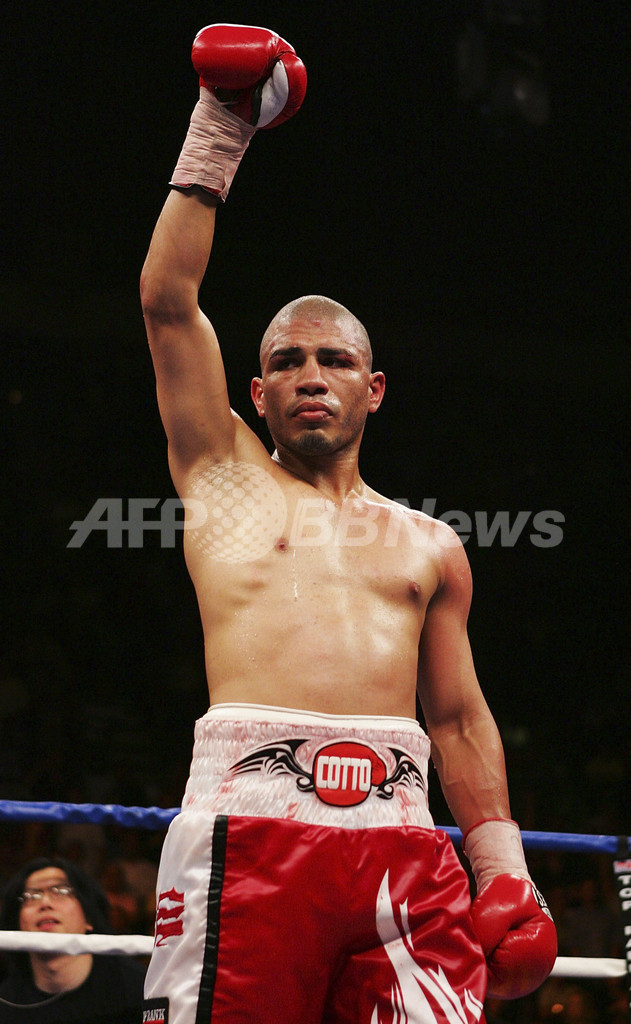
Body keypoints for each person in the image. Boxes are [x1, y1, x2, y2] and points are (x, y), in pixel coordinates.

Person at [139, 23, 557, 1024]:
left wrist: (502, 865)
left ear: (372, 389)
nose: (309, 375)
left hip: (405, 849)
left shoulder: (430, 545)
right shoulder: (227, 484)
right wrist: (220, 126)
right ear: (256, 393)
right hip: (249, 835)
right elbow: (167, 301)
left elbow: (456, 718)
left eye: (332, 360)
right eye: (286, 362)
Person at [0, 857, 145, 1022]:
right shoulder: (6, 1005)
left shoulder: (137, 987)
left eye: (61, 892)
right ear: (17, 924)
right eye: (32, 896)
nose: (45, 903)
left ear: (89, 917)